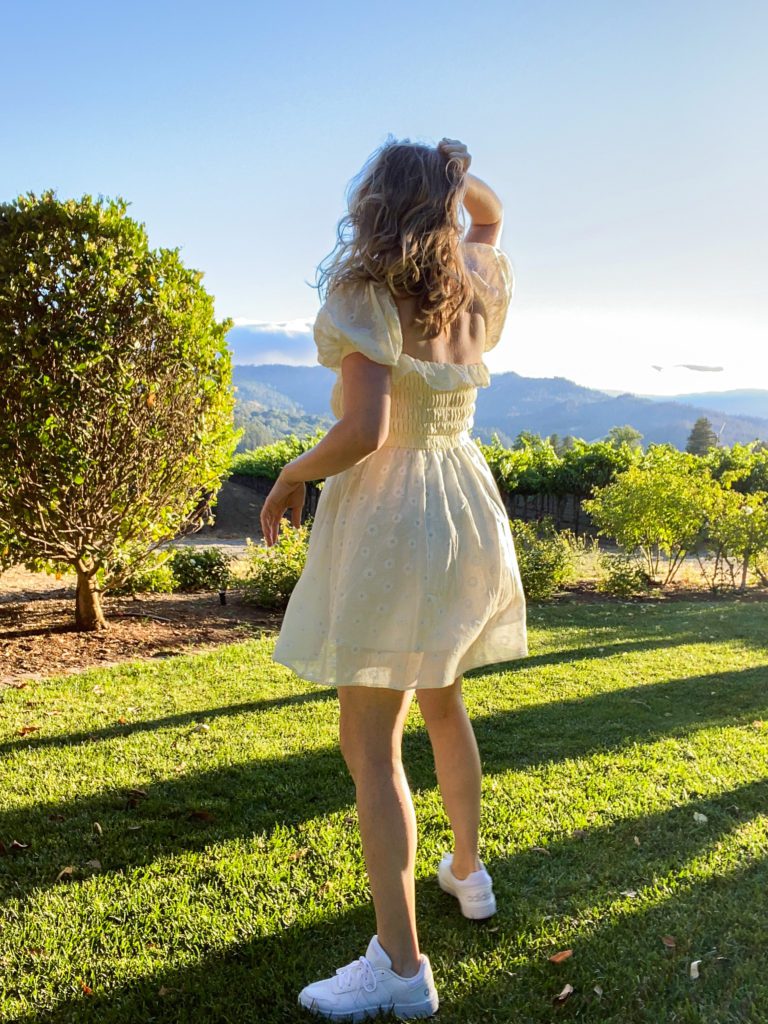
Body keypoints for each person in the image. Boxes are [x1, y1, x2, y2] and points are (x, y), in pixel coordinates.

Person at [261, 137, 528, 1021]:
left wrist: (293, 474)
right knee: (442, 698)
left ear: (375, 204)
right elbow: (491, 216)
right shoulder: (474, 285)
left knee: (370, 746)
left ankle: (402, 968)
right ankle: (468, 870)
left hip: (395, 517)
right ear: (443, 205)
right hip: (464, 506)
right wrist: (461, 185)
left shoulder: (366, 295)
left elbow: (366, 432)